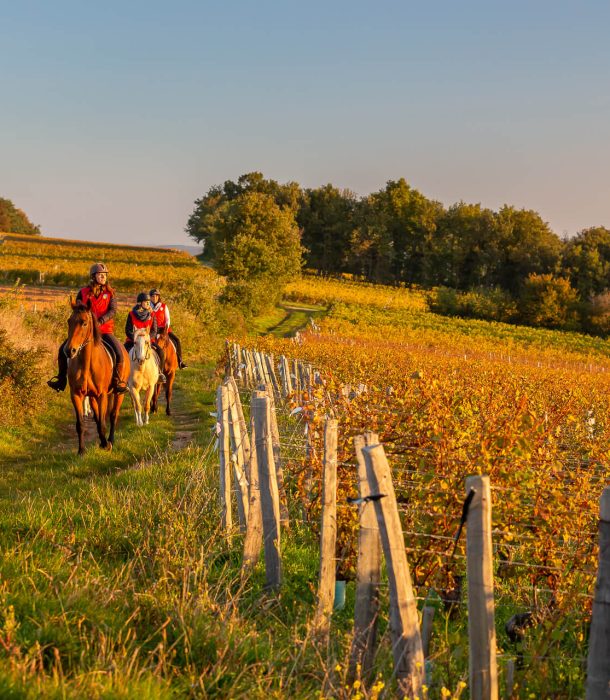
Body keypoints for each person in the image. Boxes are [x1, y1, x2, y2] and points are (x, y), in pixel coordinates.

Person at [48, 262, 128, 393]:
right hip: (85, 332)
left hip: (105, 330)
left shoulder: (110, 293)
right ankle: (61, 379)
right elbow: (78, 310)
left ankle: (117, 381)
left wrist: (100, 321)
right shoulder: (83, 292)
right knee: (63, 350)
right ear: (93, 276)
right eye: (100, 275)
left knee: (119, 354)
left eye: (104, 275)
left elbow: (112, 310)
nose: (103, 277)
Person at [125, 292, 166, 383]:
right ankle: (121, 377)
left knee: (161, 353)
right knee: (122, 354)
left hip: (147, 340)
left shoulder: (152, 315)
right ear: (140, 303)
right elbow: (128, 330)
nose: (149, 303)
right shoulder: (131, 314)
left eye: (148, 302)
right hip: (133, 340)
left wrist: (147, 338)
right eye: (146, 302)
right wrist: (135, 338)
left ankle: (160, 374)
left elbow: (154, 331)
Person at [149, 288, 187, 369]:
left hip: (164, 330)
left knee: (177, 340)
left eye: (156, 296)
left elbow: (167, 319)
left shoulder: (164, 306)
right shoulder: (148, 307)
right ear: (150, 297)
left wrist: (166, 329)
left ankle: (180, 361)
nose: (154, 298)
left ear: (158, 297)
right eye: (152, 296)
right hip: (153, 330)